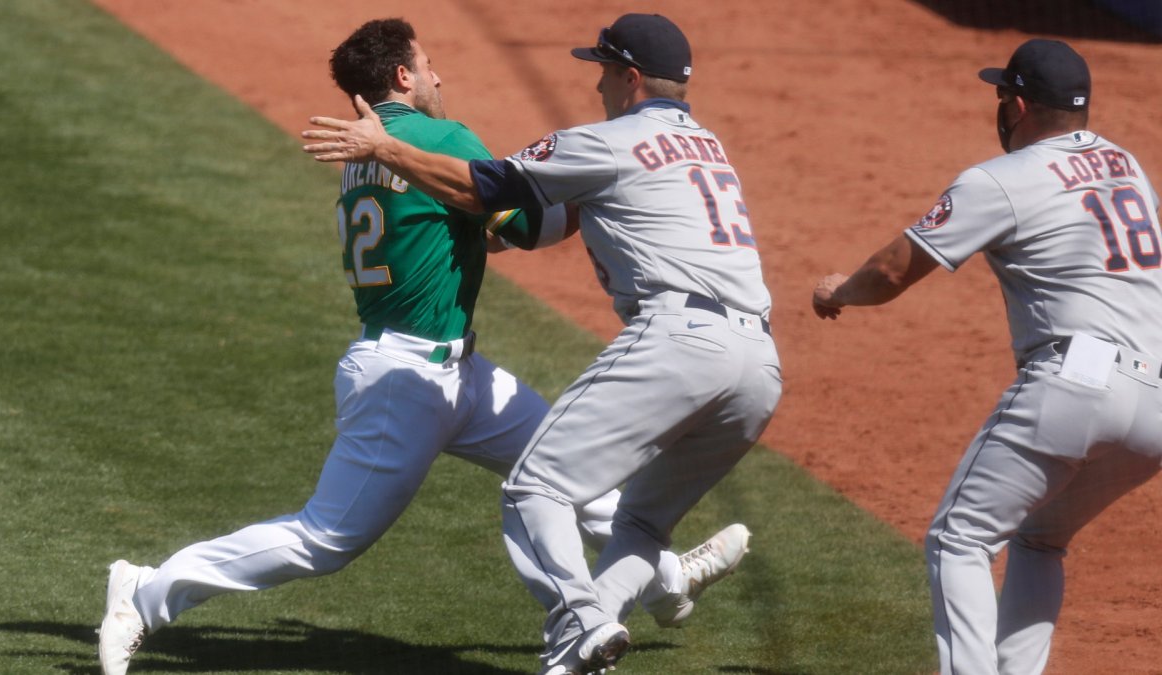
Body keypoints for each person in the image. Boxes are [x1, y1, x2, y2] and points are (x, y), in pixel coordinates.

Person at [97, 18, 749, 675]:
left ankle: (662, 582)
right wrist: (599, 185)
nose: (440, 76)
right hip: (405, 381)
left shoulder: (366, 153)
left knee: (566, 473)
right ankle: (146, 594)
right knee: (327, 536)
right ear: (403, 77)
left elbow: (462, 229)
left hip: (453, 371)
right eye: (429, 64)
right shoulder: (440, 137)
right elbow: (525, 225)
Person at [302, 13, 782, 674]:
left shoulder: (607, 140)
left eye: (604, 71)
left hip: (679, 339)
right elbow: (531, 223)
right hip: (760, 364)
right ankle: (589, 640)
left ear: (631, 77)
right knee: (636, 526)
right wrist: (493, 230)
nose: (597, 88)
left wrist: (383, 148)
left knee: (535, 488)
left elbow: (481, 186)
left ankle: (580, 615)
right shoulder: (708, 146)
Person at [811, 39, 1162, 675]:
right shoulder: (1126, 164)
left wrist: (841, 292)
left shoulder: (1000, 179)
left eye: (1002, 97)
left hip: (1076, 384)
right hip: (1155, 404)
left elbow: (893, 271)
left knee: (959, 537)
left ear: (1018, 106)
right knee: (1040, 538)